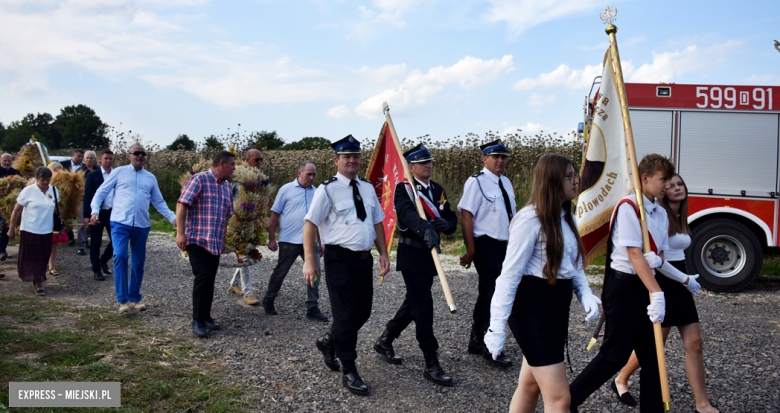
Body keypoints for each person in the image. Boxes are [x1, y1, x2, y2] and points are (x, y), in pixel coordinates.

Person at [484, 154, 602, 413]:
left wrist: (585, 294)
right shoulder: (529, 219)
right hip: (532, 311)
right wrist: (496, 327)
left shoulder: (564, 216)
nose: (575, 182)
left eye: (575, 176)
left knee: (530, 386)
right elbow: (508, 276)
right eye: (568, 177)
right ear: (551, 181)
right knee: (560, 399)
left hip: (555, 310)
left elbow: (573, 265)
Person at [569, 154, 673, 413]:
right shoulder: (628, 207)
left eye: (669, 180)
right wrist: (657, 292)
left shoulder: (659, 212)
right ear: (645, 178)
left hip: (646, 284)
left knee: (653, 357)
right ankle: (568, 401)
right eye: (663, 179)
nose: (667, 185)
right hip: (626, 287)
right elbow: (634, 254)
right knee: (615, 354)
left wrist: (658, 262)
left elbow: (660, 253)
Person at [613, 174, 718, 413]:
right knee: (654, 345)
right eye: (669, 185)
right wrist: (684, 278)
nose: (676, 188)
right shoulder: (657, 214)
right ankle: (620, 379)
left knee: (695, 343)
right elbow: (656, 259)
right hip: (663, 279)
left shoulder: (680, 216)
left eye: (680, 184)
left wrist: (685, 278)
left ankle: (702, 403)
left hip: (681, 280)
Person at [303, 135, 390, 396]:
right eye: (346, 157)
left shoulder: (366, 188)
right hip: (339, 258)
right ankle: (349, 368)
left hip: (364, 259)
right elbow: (311, 225)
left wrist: (384, 253)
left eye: (356, 156)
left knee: (363, 312)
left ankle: (329, 341)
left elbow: (376, 222)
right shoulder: (327, 189)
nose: (352, 161)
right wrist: (310, 260)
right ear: (337, 160)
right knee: (344, 315)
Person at [373, 143, 458, 386]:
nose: (427, 166)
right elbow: (406, 214)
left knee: (414, 302)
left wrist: (447, 225)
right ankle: (431, 362)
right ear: (410, 167)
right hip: (412, 254)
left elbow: (450, 215)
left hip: (431, 255)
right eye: (422, 163)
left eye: (429, 162)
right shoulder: (404, 189)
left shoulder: (437, 190)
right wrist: (425, 228)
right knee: (423, 308)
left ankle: (385, 339)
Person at [90, 145, 177, 313]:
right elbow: (101, 192)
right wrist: (95, 211)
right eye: (136, 153)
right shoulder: (119, 172)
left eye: (143, 153)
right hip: (120, 223)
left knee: (138, 263)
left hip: (141, 225)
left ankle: (135, 297)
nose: (140, 156)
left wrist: (173, 217)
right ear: (129, 156)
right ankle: (122, 300)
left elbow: (158, 201)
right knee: (120, 256)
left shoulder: (150, 177)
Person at [458, 139, 516, 367]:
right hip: (484, 244)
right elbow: (466, 215)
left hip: (503, 245)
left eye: (503, 157)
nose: (500, 161)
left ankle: (476, 339)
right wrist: (470, 248)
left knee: (486, 292)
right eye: (495, 157)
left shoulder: (507, 182)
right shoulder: (476, 182)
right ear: (485, 159)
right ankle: (490, 346)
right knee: (496, 291)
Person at [176, 151, 236, 338]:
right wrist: (180, 233)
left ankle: (206, 316)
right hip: (197, 239)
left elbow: (227, 215)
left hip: (215, 241)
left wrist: (224, 239)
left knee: (210, 279)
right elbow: (182, 204)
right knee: (203, 276)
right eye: (232, 164)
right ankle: (197, 320)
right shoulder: (199, 180)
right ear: (221, 163)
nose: (234, 168)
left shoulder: (227, 187)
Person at [263, 161, 327, 321]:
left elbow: (318, 220)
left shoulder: (317, 192)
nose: (311, 178)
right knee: (281, 271)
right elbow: (274, 215)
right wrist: (272, 238)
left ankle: (312, 306)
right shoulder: (286, 190)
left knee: (316, 273)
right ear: (299, 173)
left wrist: (321, 243)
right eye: (308, 174)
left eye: (314, 175)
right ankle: (269, 299)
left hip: (311, 242)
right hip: (289, 239)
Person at [7, 167, 59, 296]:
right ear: (36, 179)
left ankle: (37, 277)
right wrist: (11, 228)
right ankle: (38, 282)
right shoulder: (28, 191)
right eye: (42, 180)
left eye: (48, 180)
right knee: (32, 257)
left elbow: (56, 208)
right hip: (30, 229)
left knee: (43, 257)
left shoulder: (53, 190)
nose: (45, 183)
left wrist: (61, 222)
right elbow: (16, 210)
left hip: (46, 230)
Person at [227, 149, 270, 306]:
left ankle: (235, 283)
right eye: (256, 160)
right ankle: (248, 293)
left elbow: (267, 196)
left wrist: (278, 212)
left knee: (246, 254)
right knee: (244, 255)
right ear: (247, 159)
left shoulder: (258, 177)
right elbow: (226, 194)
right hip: (237, 221)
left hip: (252, 222)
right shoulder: (237, 174)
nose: (259, 163)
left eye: (261, 160)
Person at [83, 151, 115, 281]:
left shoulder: (116, 174)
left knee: (116, 240)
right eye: (106, 158)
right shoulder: (93, 175)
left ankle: (103, 260)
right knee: (96, 242)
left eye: (110, 159)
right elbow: (88, 196)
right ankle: (96, 269)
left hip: (113, 212)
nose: (108, 161)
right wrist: (86, 215)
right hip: (98, 212)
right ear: (100, 159)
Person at [47, 162, 68, 276]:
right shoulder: (45, 185)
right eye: (56, 170)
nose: (58, 172)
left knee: (54, 243)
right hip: (44, 217)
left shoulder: (61, 187)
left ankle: (52, 266)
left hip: (56, 217)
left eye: (60, 170)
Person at [75, 151, 98, 255]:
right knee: (82, 222)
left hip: (96, 199)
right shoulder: (79, 171)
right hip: (82, 199)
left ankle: (87, 239)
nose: (89, 160)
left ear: (94, 159)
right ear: (84, 159)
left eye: (91, 158)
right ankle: (81, 244)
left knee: (94, 222)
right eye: (87, 158)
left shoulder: (98, 170)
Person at [0, 153, 21, 262]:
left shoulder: (16, 172)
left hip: (9, 206)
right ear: (0, 160)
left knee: (6, 227)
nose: (7, 163)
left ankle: (2, 250)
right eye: (5, 161)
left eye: (9, 161)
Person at [61, 149, 84, 246]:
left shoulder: (84, 167)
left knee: (78, 216)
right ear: (73, 155)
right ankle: (69, 237)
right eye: (79, 156)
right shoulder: (63, 164)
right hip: (65, 193)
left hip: (77, 195)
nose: (80, 158)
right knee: (65, 215)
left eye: (82, 157)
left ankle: (82, 238)